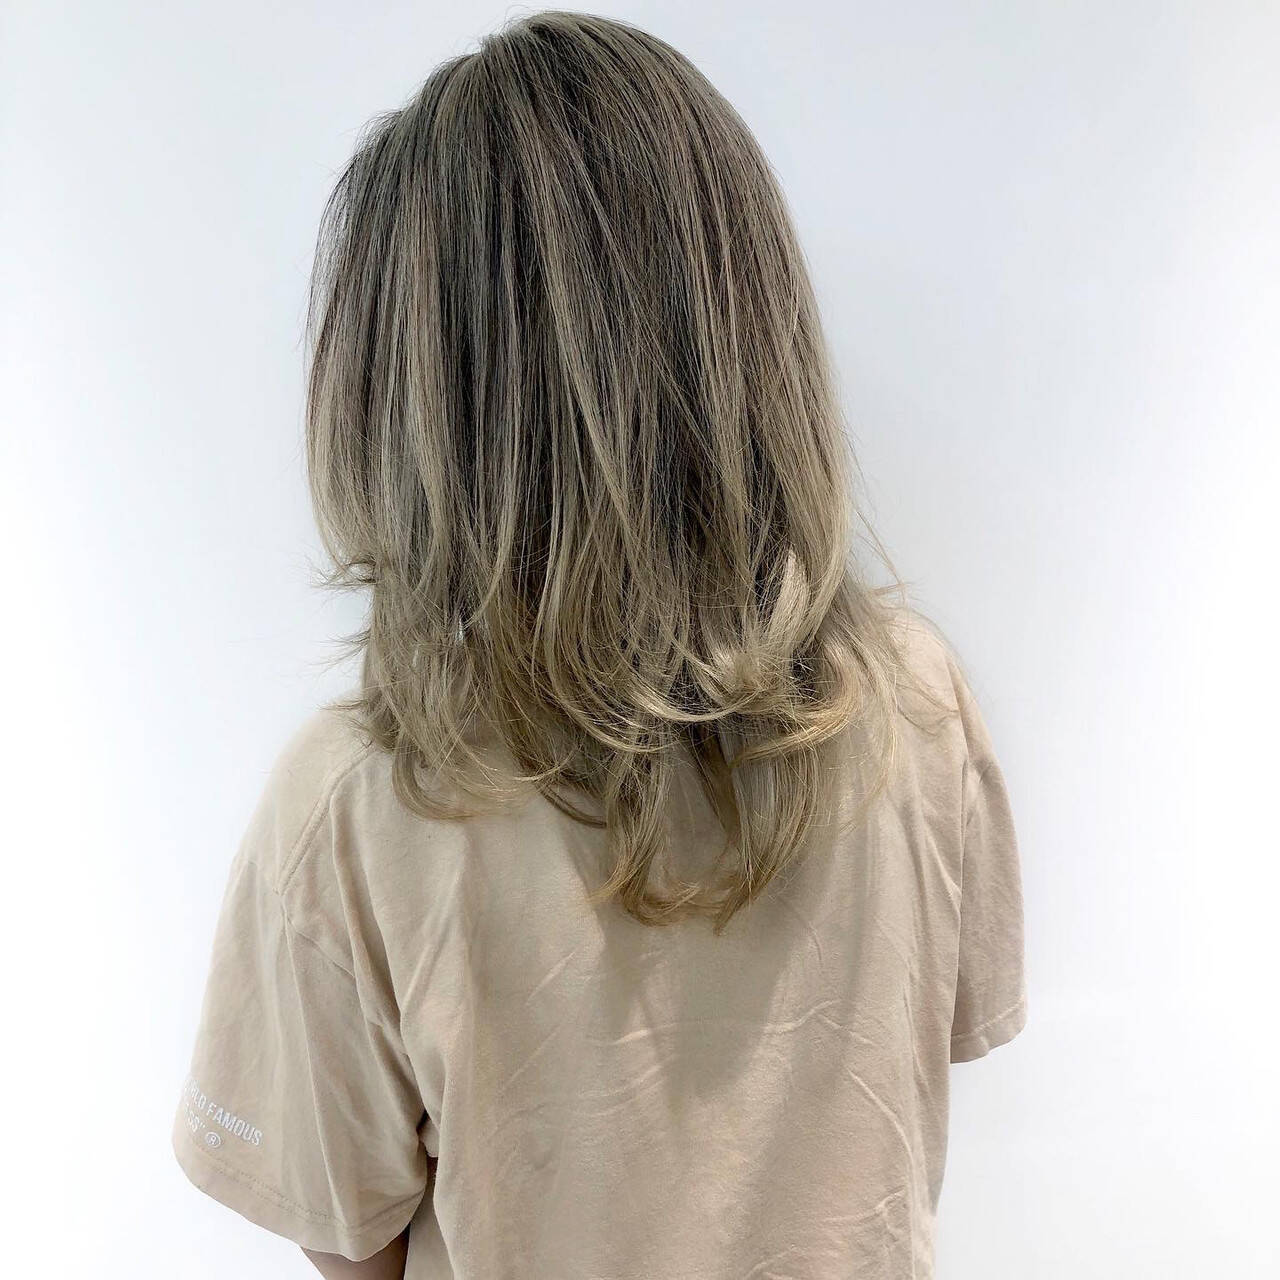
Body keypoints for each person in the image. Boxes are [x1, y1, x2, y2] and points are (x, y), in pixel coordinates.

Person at [171, 11, 1027, 1278]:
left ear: (409, 390)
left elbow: (351, 1242)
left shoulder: (364, 802)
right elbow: (917, 1063)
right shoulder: (914, 704)